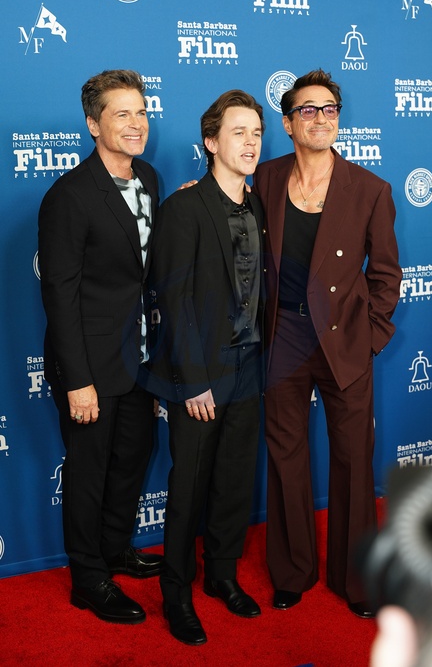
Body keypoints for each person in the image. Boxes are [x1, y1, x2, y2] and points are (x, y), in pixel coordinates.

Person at [252, 69, 402, 617]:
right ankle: (292, 571)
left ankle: (356, 580)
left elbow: (386, 274)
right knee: (285, 457)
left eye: (330, 109)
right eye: (308, 110)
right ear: (288, 123)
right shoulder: (264, 179)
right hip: (283, 337)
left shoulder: (370, 189)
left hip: (345, 341)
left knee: (354, 461)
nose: (321, 118)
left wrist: (370, 338)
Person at [38, 69, 163, 625]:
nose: (137, 124)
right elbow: (59, 295)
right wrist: (78, 380)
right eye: (122, 114)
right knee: (88, 473)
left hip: (138, 358)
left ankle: (115, 550)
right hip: (89, 364)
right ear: (93, 124)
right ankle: (88, 579)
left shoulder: (150, 179)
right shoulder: (69, 196)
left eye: (141, 112)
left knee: (132, 458)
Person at [147, 90, 265, 645]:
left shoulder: (258, 206)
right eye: (238, 132)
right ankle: (176, 593)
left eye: (257, 133)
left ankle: (221, 575)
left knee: (234, 481)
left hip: (250, 366)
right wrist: (193, 381)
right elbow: (173, 300)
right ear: (211, 142)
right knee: (189, 486)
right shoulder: (184, 208)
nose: (250, 143)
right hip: (200, 373)